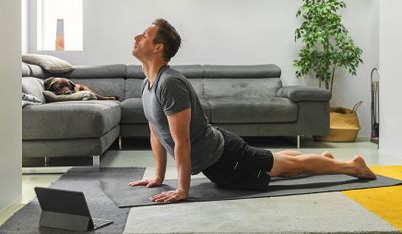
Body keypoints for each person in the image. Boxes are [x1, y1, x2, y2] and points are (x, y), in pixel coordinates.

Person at [128, 18, 377, 203]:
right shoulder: (148, 84)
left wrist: (183, 190)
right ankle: (323, 160)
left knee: (287, 168)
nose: (137, 37)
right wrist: (159, 177)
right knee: (279, 162)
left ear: (158, 47)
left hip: (225, 157)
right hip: (218, 158)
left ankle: (352, 166)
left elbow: (181, 142)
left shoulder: (169, 83)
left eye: (144, 35)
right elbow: (157, 134)